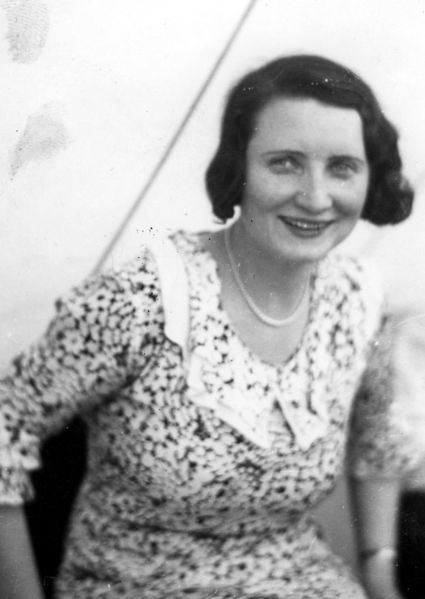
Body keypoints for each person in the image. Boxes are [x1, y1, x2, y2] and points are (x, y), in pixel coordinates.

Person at [0, 54, 422, 599]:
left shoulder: (356, 296)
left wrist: (379, 571)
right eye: (285, 163)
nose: (316, 197)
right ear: (236, 168)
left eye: (342, 167)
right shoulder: (142, 301)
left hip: (297, 581)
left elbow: (379, 438)